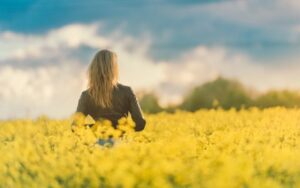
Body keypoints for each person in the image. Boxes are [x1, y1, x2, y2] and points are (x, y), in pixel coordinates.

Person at [75, 49, 146, 133]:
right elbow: (140, 123)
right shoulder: (127, 91)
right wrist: (121, 128)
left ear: (93, 69)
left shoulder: (86, 95)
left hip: (97, 142)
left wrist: (96, 127)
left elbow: (75, 127)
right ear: (114, 69)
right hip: (122, 143)